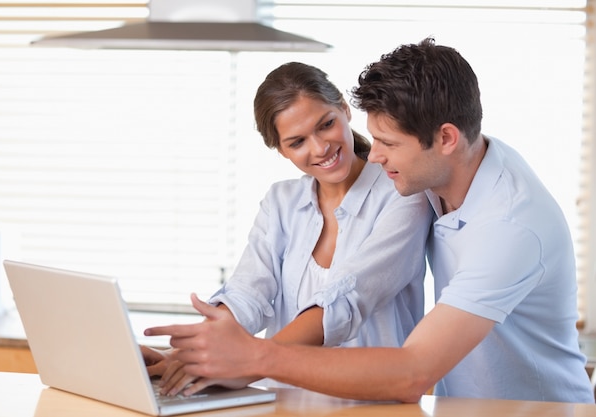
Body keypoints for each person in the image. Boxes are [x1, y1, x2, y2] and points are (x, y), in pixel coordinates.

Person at [145, 38, 595, 403]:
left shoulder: (507, 226)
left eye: (388, 144)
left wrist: (251, 359)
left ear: (445, 139)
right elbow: (250, 289)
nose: (373, 155)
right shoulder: (445, 174)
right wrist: (193, 355)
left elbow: (411, 370)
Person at [142, 62, 432, 396]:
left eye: (326, 125)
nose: (320, 148)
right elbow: (247, 294)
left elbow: (348, 299)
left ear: (343, 108)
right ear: (280, 149)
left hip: (373, 402)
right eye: (297, 142)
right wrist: (185, 357)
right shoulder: (282, 201)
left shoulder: (402, 194)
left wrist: (249, 361)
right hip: (282, 401)